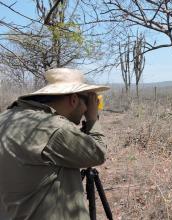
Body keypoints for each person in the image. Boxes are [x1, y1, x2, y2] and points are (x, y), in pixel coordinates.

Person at [0, 68, 110, 220]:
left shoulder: (7, 117)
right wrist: (92, 119)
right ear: (73, 100)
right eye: (88, 102)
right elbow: (98, 153)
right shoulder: (53, 128)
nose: (86, 109)